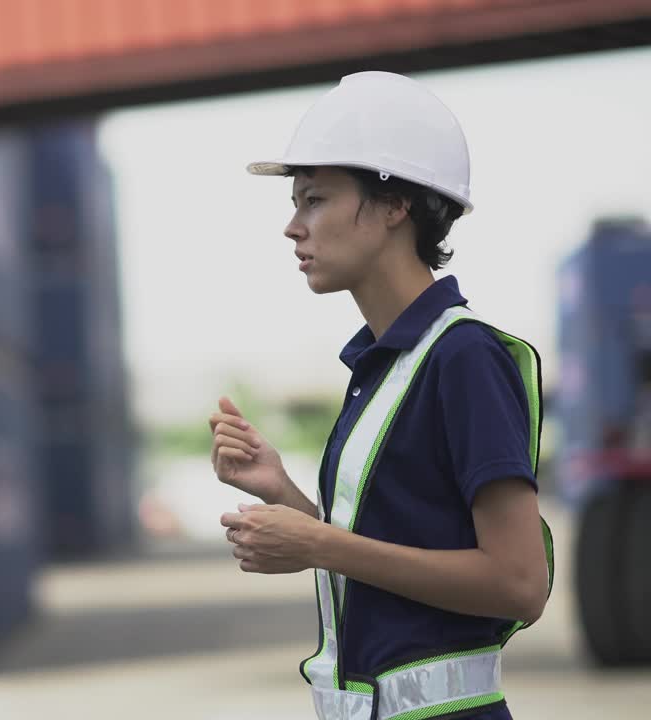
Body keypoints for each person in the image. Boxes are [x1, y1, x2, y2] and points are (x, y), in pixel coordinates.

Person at [210, 71, 553, 720]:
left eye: (313, 199)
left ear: (396, 205)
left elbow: (519, 584)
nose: (292, 227)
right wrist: (283, 494)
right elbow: (391, 551)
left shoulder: (464, 357)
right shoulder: (383, 365)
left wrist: (315, 545)